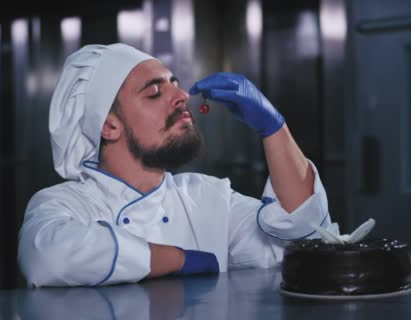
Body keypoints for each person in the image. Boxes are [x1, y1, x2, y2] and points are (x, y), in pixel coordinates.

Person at [17, 43, 331, 287]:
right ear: (108, 126)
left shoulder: (206, 197)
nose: (181, 96)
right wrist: (176, 260)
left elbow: (302, 242)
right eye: (154, 92)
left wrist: (274, 129)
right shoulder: (65, 203)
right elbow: (47, 258)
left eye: (175, 84)